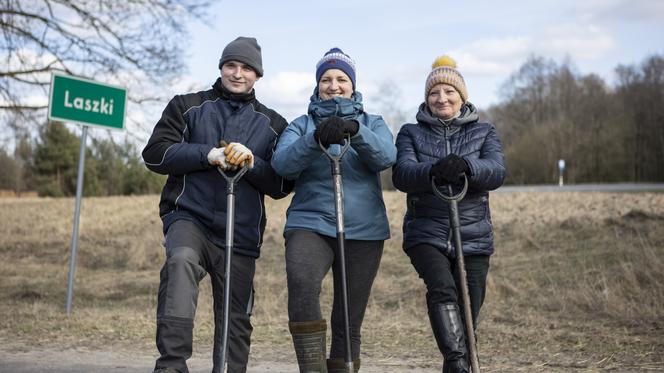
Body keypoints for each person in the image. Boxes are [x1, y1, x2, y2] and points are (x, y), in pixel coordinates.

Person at [142, 36, 292, 373]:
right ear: (221, 67)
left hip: (240, 230)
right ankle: (171, 364)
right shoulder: (187, 106)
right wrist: (206, 154)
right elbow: (154, 155)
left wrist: (253, 163)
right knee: (180, 263)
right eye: (231, 65)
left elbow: (283, 185)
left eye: (247, 68)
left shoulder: (274, 125)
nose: (238, 73)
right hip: (189, 218)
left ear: (258, 75)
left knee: (236, 314)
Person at [271, 48, 396, 372]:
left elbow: (386, 157)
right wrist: (315, 138)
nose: (334, 85)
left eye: (342, 78)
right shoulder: (301, 125)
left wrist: (357, 131)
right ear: (317, 85)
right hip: (310, 223)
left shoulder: (373, 122)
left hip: (365, 228)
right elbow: (282, 165)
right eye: (326, 79)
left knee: (348, 318)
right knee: (302, 287)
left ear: (352, 84)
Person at [392, 55, 506, 373]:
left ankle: (458, 362)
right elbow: (402, 174)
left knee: (469, 309)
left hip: (473, 233)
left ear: (461, 96)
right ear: (426, 98)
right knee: (442, 289)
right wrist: (433, 170)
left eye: (449, 92)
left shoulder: (485, 133)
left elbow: (497, 172)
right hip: (426, 230)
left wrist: (468, 166)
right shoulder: (410, 133)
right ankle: (457, 363)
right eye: (434, 93)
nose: (441, 98)